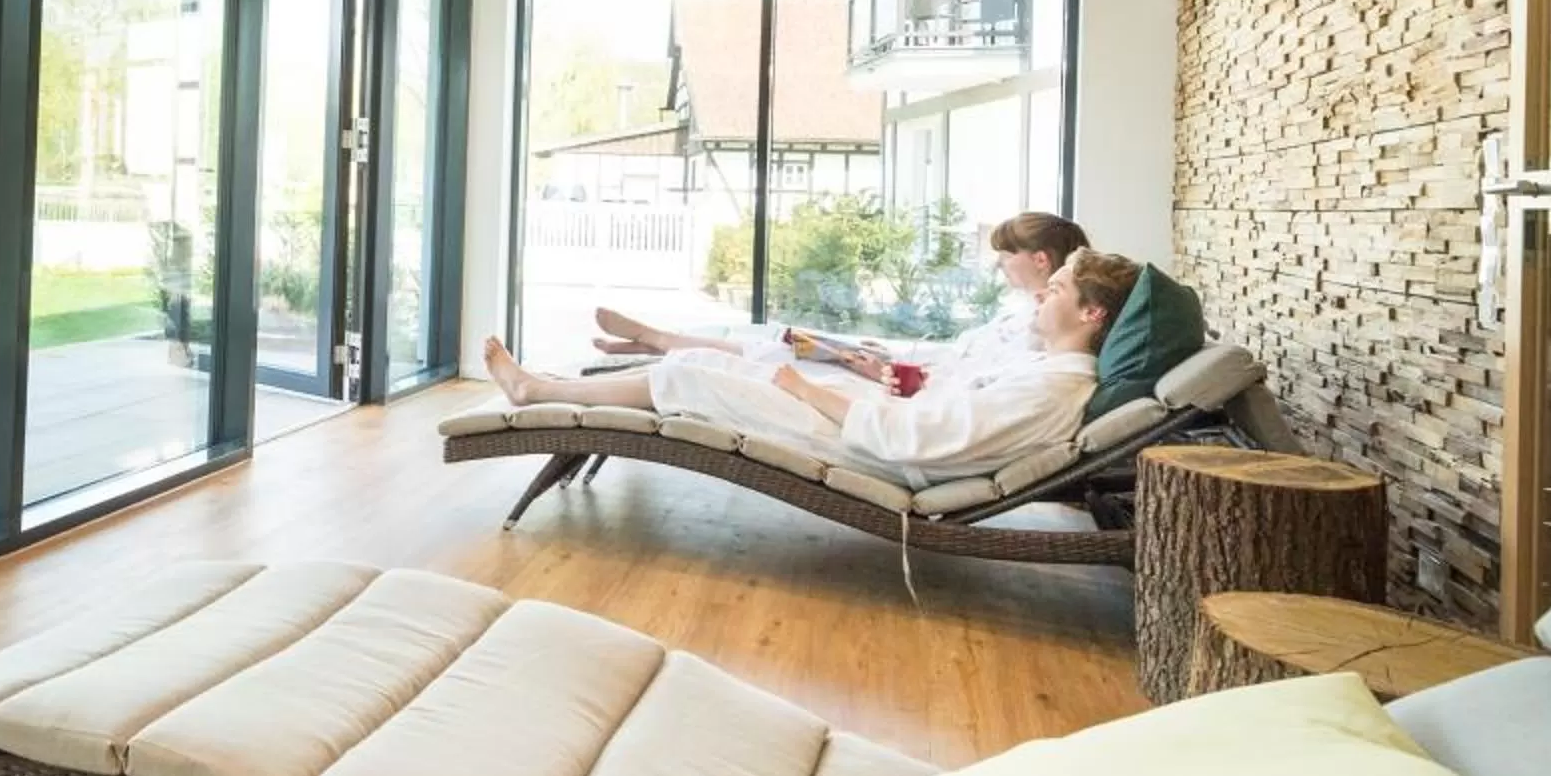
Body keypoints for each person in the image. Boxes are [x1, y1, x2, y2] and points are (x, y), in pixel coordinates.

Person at [486, 250, 1139, 487]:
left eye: (1056, 291)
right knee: (732, 360)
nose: (1040, 296)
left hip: (879, 451)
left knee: (696, 377)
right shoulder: (1049, 372)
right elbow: (942, 410)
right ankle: (554, 383)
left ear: (1092, 316)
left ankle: (536, 388)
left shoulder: (1050, 388)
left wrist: (806, 389)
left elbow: (912, 441)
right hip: (886, 422)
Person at [593, 211, 1092, 393]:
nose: (1000, 265)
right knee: (774, 338)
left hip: (901, 384)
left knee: (777, 352)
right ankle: (652, 345)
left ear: (1041, 260)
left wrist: (892, 370)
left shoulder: (1041, 332)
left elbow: (970, 386)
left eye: (1007, 256)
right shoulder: (1030, 314)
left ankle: (655, 344)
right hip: (903, 368)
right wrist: (894, 357)